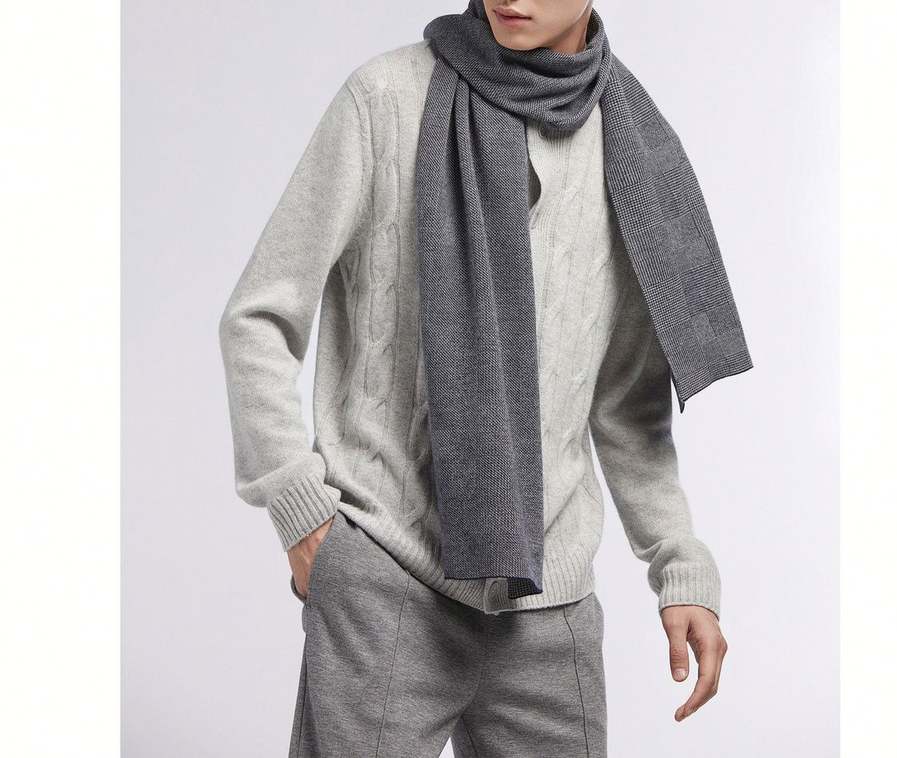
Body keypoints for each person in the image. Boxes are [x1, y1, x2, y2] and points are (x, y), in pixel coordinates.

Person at [218, 1, 752, 756]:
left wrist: (679, 562)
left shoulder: (629, 148)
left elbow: (625, 403)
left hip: (551, 611)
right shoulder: (386, 98)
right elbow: (258, 317)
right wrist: (302, 511)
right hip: (387, 580)